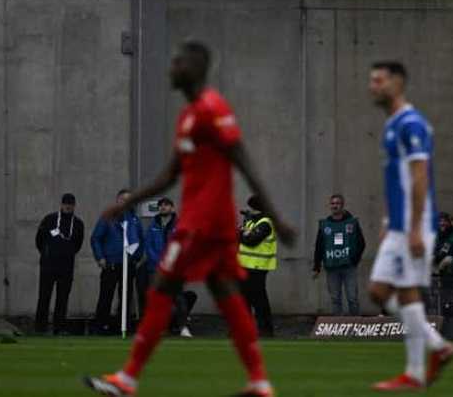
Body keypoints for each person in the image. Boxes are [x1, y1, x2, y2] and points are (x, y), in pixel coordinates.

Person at [83, 41, 297, 397]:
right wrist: (129, 201)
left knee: (162, 287)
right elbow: (171, 173)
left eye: (178, 62)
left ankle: (129, 378)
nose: (171, 68)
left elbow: (242, 157)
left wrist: (275, 215)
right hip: (207, 223)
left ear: (195, 68)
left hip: (202, 224)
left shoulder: (213, 109)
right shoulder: (188, 116)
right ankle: (259, 381)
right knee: (226, 293)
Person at [365, 61, 453, 391]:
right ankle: (437, 346)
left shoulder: (412, 124)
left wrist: (416, 227)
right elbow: (395, 180)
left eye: (379, 81)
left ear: (398, 82)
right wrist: (388, 220)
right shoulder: (392, 124)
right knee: (378, 291)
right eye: (371, 81)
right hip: (399, 225)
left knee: (406, 292)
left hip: (414, 225)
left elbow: (420, 176)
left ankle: (416, 371)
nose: (373, 86)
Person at [91, 189, 143, 334]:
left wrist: (136, 257)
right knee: (105, 296)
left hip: (128, 264)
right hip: (111, 264)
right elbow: (96, 238)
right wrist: (100, 257)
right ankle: (100, 326)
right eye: (123, 200)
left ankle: (122, 326)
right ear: (117, 201)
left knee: (126, 298)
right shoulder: (107, 218)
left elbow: (140, 240)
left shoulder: (134, 220)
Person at [140, 197, 192, 337]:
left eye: (166, 205)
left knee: (178, 298)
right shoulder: (153, 226)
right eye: (161, 205)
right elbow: (148, 246)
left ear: (172, 208)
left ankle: (183, 327)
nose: (163, 207)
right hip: (155, 269)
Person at [35, 193, 85, 335]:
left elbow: (78, 244)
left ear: (74, 206)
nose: (68, 206)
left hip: (66, 266)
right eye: (65, 204)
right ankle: (40, 327)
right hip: (48, 265)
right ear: (61, 204)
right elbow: (39, 239)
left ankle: (59, 327)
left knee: (63, 297)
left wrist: (67, 254)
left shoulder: (78, 223)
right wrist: (46, 254)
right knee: (44, 296)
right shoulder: (50, 219)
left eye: (70, 204)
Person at [312, 193, 365, 316]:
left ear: (342, 205)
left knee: (352, 298)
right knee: (335, 299)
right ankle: (338, 328)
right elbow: (319, 246)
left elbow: (361, 243)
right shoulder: (324, 225)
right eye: (332, 203)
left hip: (348, 267)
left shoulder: (352, 223)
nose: (335, 206)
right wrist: (316, 267)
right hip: (332, 267)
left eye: (337, 203)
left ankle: (356, 326)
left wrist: (354, 259)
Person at [238, 195, 277, 337]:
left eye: (250, 207)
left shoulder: (265, 223)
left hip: (257, 267)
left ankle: (265, 329)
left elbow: (251, 241)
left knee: (258, 300)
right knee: (245, 299)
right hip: (245, 266)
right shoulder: (251, 222)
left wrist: (242, 233)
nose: (248, 210)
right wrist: (243, 232)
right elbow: (241, 237)